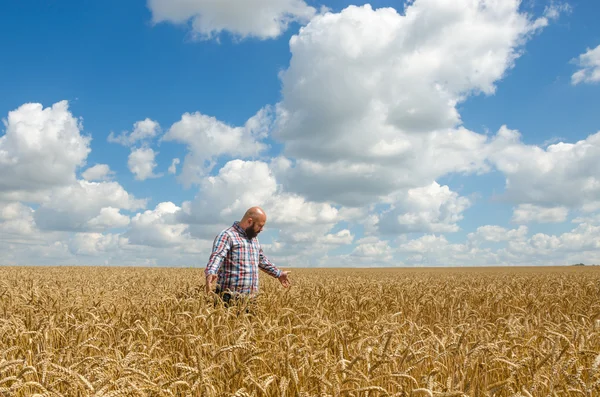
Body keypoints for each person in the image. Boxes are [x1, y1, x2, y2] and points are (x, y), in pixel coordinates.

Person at [204, 206, 291, 309]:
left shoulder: (254, 239)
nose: (262, 229)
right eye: (260, 225)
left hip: (251, 299)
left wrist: (278, 274)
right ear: (250, 221)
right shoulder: (227, 235)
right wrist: (211, 271)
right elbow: (218, 255)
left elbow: (261, 260)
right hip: (228, 298)